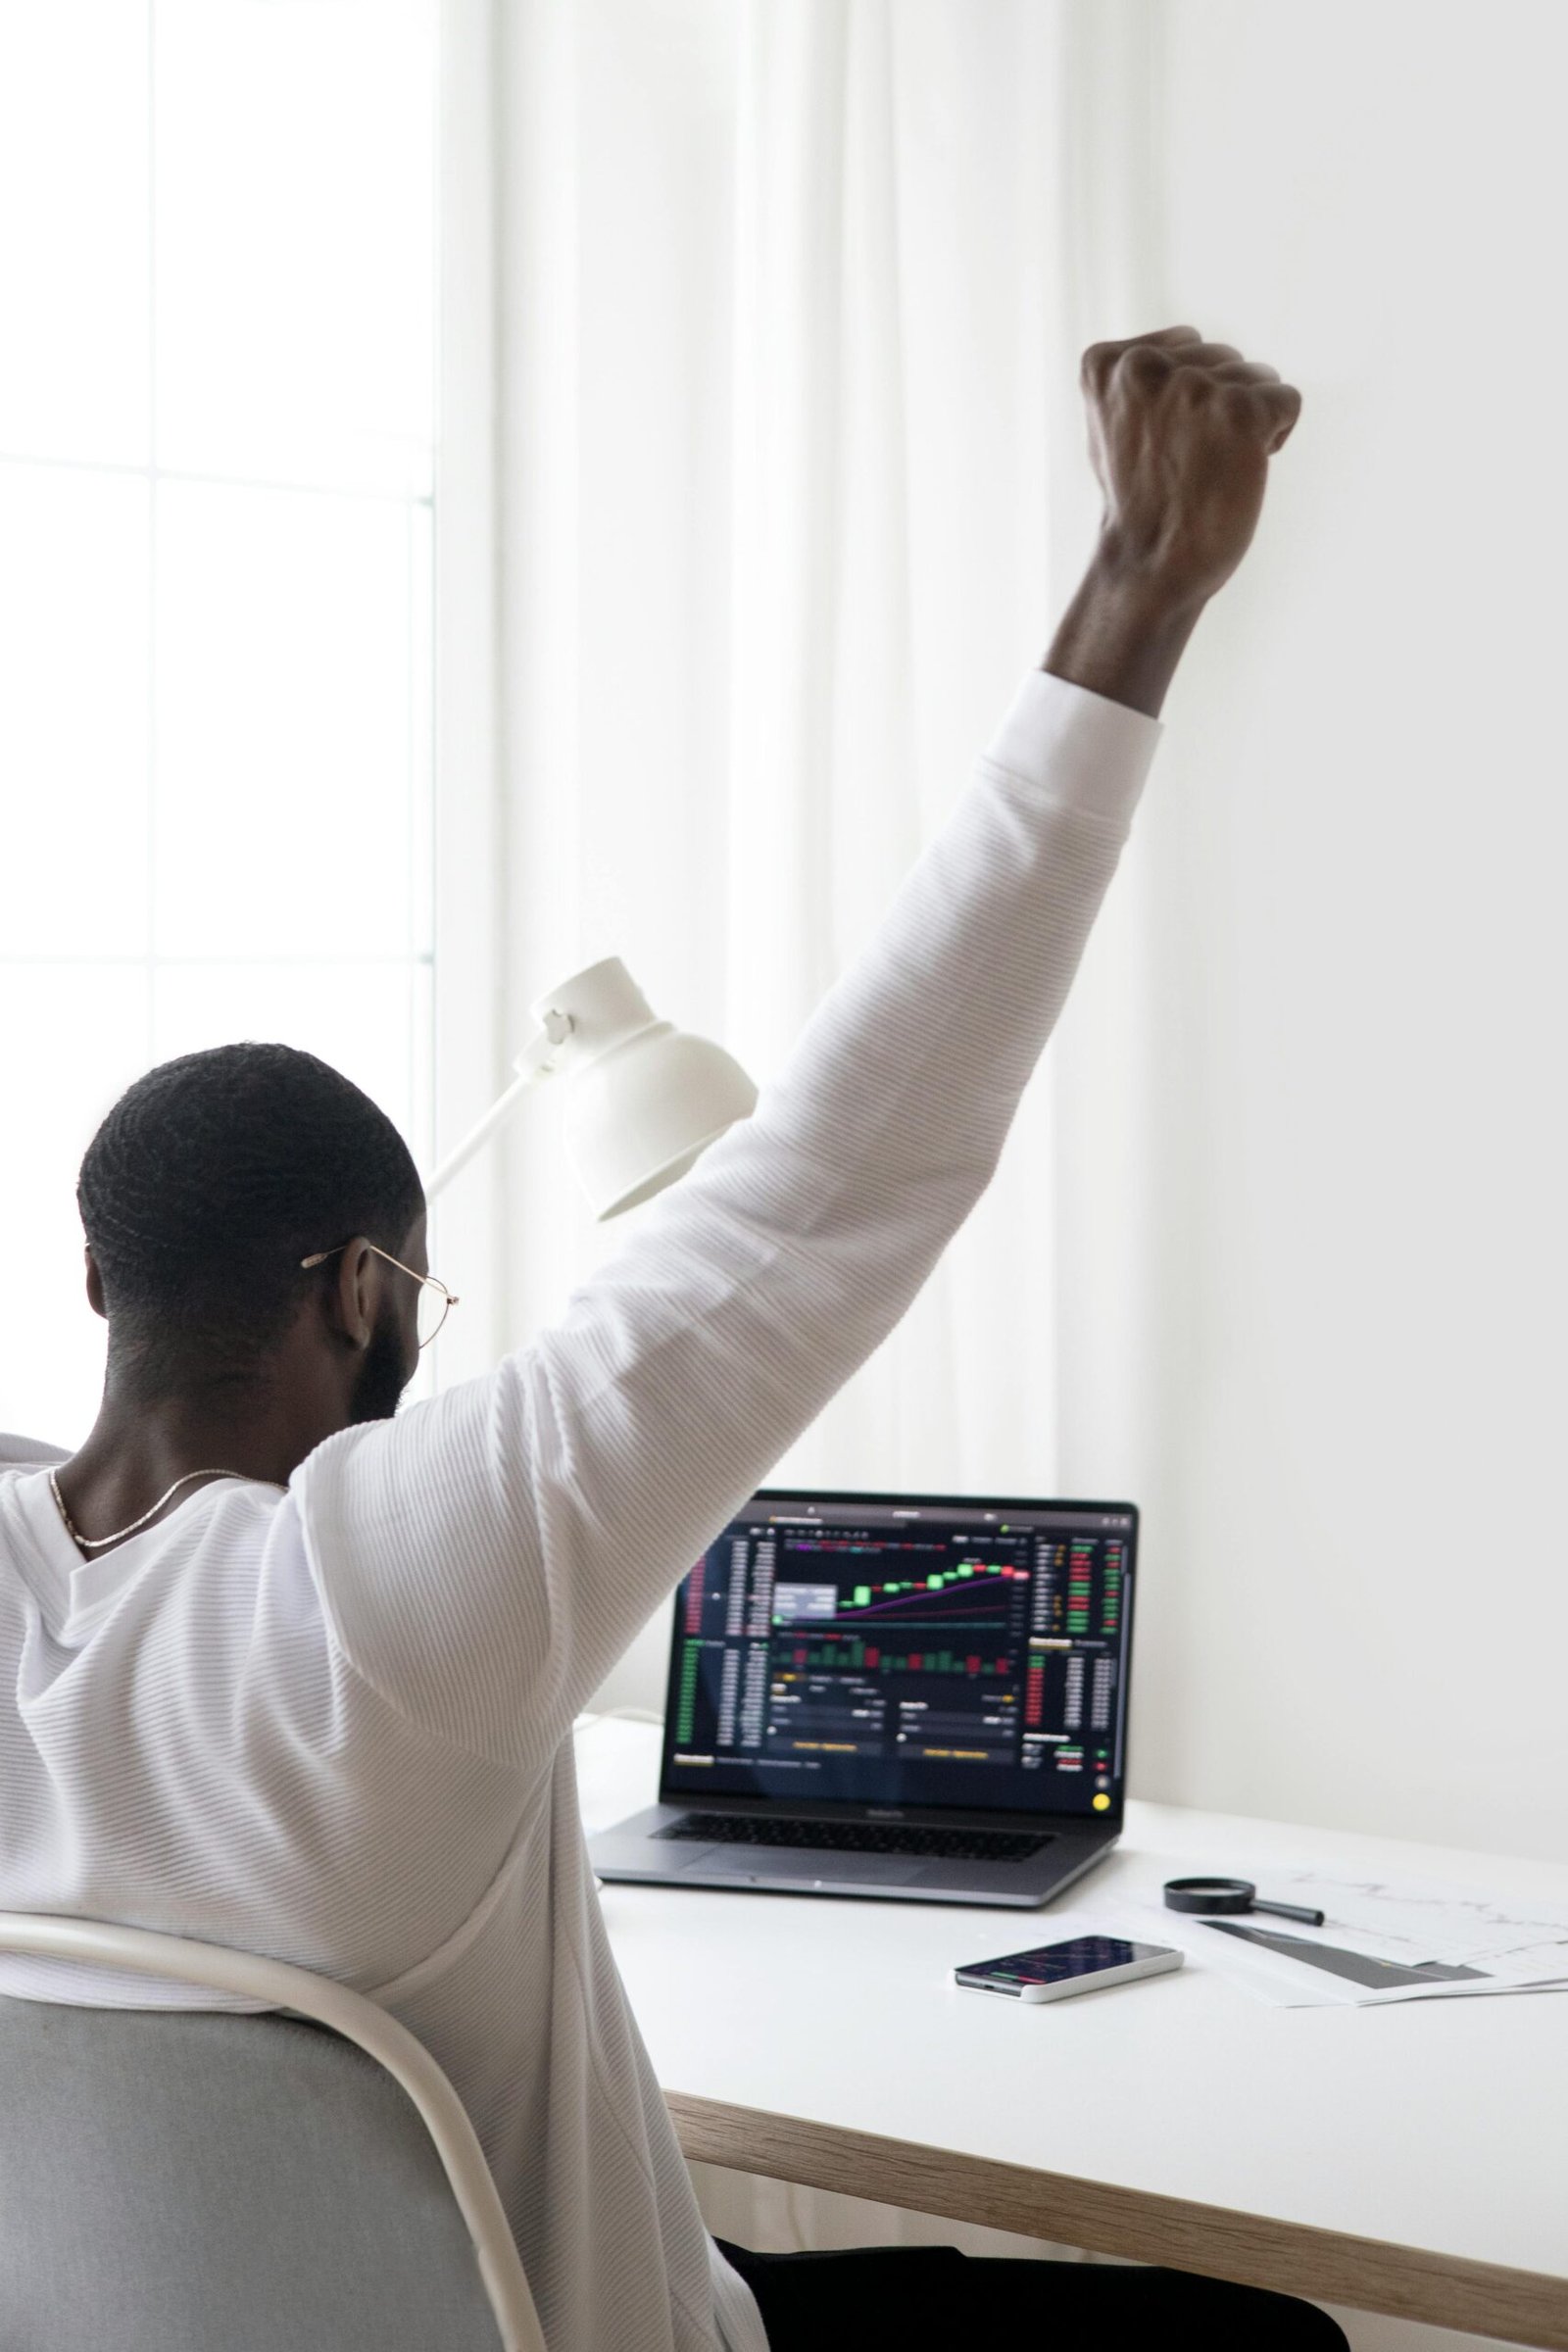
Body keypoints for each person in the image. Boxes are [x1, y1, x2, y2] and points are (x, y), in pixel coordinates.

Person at [0, 326, 1339, 2350]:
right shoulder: (372, 1596)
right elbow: (831, 1184)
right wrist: (1134, 590)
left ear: (98, 1281)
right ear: (357, 1289)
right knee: (1255, 2330)